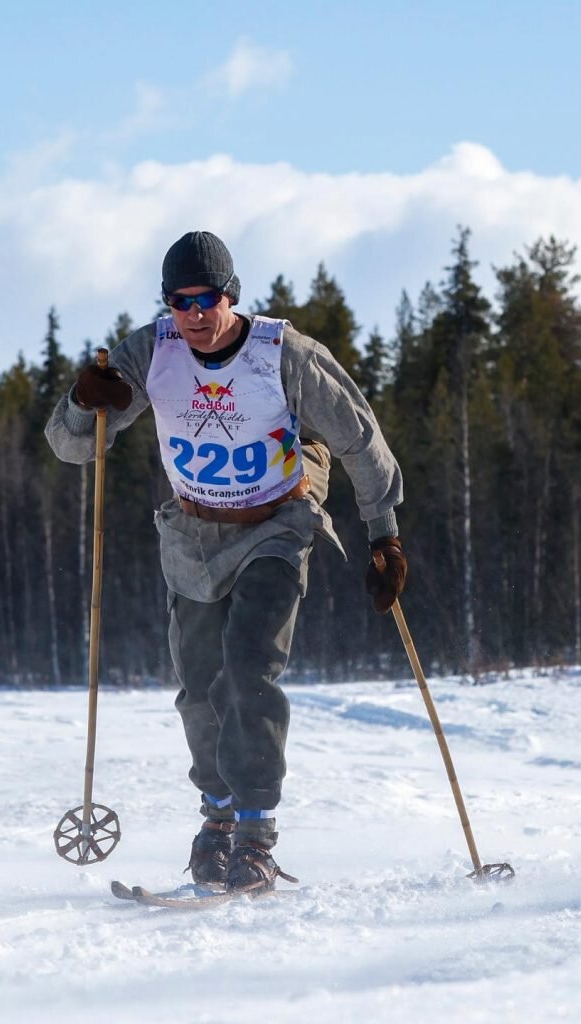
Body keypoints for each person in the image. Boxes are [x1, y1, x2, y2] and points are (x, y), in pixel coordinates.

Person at [45, 231, 406, 893]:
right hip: (193, 534)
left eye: (207, 299)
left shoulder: (284, 354)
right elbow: (72, 448)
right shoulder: (150, 353)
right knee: (200, 686)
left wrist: (384, 535)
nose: (195, 314)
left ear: (230, 295)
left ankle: (255, 835)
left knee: (250, 666)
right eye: (180, 302)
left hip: (277, 519)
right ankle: (216, 822)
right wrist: (82, 402)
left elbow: (360, 438)